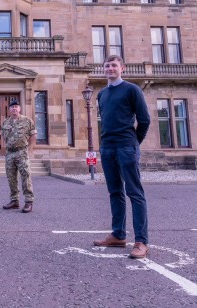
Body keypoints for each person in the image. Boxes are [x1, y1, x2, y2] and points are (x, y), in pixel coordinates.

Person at [93, 55, 151, 259]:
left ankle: (141, 241)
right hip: (107, 148)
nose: (110, 68)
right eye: (107, 65)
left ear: (122, 68)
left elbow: (144, 121)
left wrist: (134, 143)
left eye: (114, 65)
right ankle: (118, 234)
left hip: (126, 146)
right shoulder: (101, 94)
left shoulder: (132, 90)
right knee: (114, 191)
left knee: (135, 193)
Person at [1, 98, 37, 213]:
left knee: (25, 176)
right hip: (10, 153)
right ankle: (14, 201)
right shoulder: (6, 122)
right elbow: (3, 136)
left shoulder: (27, 120)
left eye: (16, 107)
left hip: (22, 152)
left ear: (19, 109)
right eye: (12, 107)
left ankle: (28, 201)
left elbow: (33, 136)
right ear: (9, 109)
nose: (14, 109)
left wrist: (29, 150)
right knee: (11, 178)